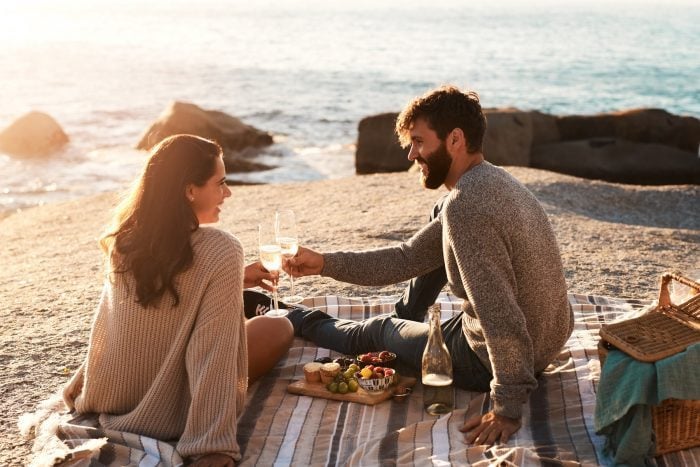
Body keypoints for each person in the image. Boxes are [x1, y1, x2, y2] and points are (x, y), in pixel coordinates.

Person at [286, 85, 573, 446]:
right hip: (547, 338)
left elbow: (499, 313)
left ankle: (292, 318)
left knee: (376, 331)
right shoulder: (496, 180)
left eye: (419, 142)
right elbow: (406, 258)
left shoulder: (467, 206)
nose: (411, 154)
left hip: (490, 359)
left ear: (455, 139)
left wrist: (507, 405)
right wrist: (324, 263)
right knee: (442, 213)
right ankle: (409, 318)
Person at [62, 134, 294, 466]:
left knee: (238, 323)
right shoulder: (222, 247)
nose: (227, 193)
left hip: (111, 396)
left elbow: (118, 324)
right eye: (221, 183)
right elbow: (211, 348)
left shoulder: (125, 240)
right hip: (173, 413)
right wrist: (211, 445)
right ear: (189, 191)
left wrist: (234, 278)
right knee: (277, 327)